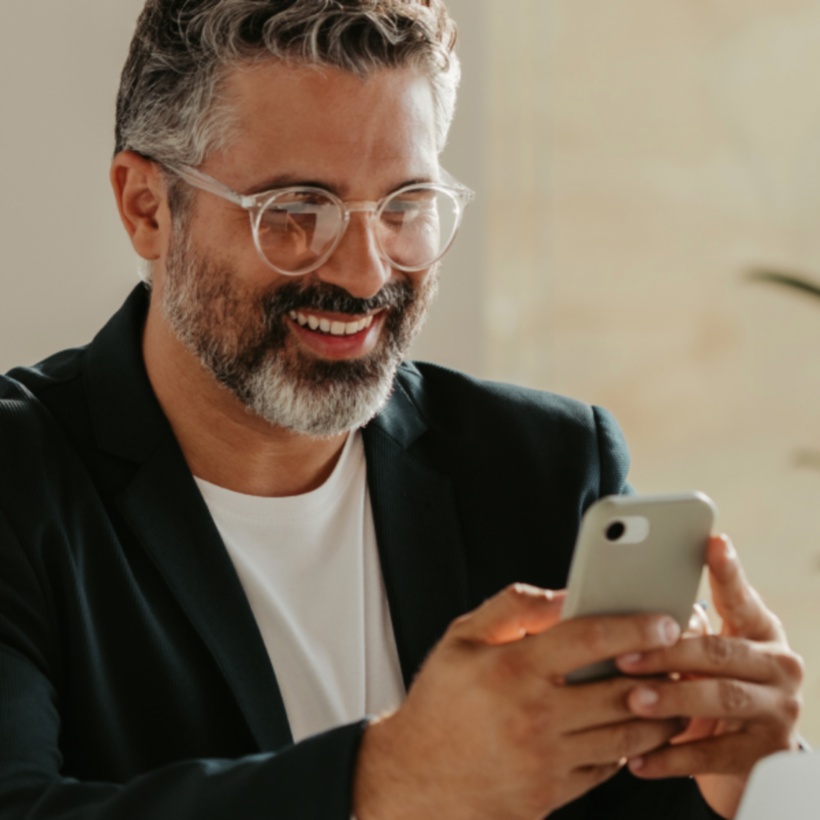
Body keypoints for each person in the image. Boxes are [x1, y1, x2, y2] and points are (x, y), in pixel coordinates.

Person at [0, 1, 803, 818]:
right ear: (147, 206)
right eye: (296, 209)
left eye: (405, 205)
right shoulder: (20, 483)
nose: (360, 272)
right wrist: (391, 779)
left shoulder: (545, 466)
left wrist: (759, 788)